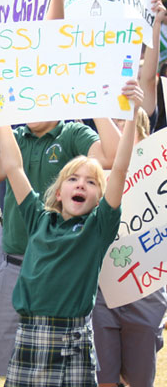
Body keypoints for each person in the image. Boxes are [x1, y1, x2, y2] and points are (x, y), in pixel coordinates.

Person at [0, 0, 120, 375]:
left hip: (65, 279)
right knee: (11, 370)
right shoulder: (15, 137)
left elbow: (114, 157)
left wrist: (93, 97)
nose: (32, 103)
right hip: (16, 265)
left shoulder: (72, 133)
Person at [0, 77, 140, 386]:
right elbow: (13, 166)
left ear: (98, 198)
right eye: (73, 179)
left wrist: (131, 112)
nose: (81, 183)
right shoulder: (37, 216)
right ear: (58, 191)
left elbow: (120, 167)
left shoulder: (97, 228)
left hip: (74, 338)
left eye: (92, 182)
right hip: (29, 334)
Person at [92, 107, 167, 387]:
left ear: (143, 132)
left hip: (146, 288)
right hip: (100, 288)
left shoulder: (161, 172)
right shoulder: (92, 171)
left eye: (125, 123)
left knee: (139, 378)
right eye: (113, 122)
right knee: (104, 377)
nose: (118, 130)